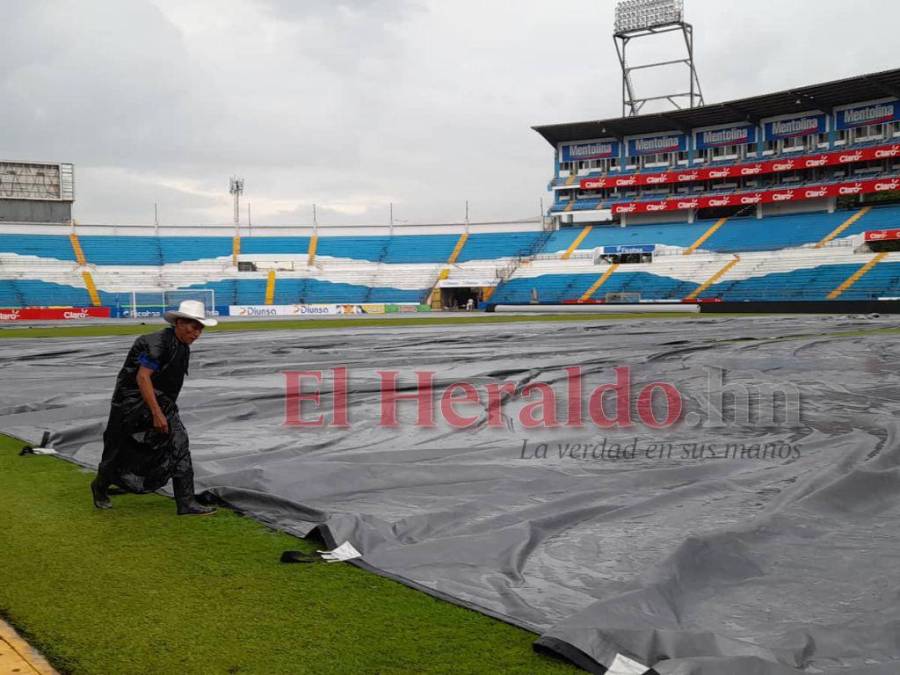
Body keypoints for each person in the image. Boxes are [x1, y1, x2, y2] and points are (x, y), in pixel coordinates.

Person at [91, 300, 218, 515]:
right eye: (193, 327)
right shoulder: (156, 343)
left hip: (163, 402)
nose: (197, 333)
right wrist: (156, 413)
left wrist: (165, 410)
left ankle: (186, 502)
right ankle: (100, 486)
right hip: (131, 405)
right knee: (117, 449)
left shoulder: (183, 346)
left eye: (200, 329)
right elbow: (142, 377)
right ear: (179, 323)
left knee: (179, 444)